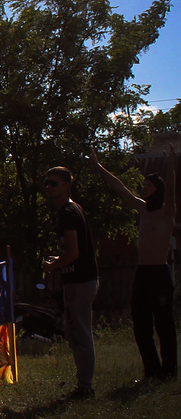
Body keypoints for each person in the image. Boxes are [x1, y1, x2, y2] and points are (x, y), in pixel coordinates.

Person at [89, 145, 178, 381]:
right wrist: (98, 165)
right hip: (142, 274)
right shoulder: (142, 209)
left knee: (164, 324)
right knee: (141, 324)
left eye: (148, 186)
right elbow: (120, 187)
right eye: (143, 186)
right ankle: (152, 370)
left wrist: (170, 165)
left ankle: (169, 371)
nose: (143, 188)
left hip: (160, 273)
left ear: (157, 190)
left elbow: (171, 193)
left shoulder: (167, 212)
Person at [42, 166, 100, 400]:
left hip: (81, 281)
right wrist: (59, 261)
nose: (48, 187)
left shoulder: (68, 212)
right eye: (46, 183)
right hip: (76, 280)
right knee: (74, 333)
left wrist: (53, 265)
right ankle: (83, 385)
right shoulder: (68, 210)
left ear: (67, 186)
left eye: (53, 183)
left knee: (79, 334)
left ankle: (85, 388)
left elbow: (74, 253)